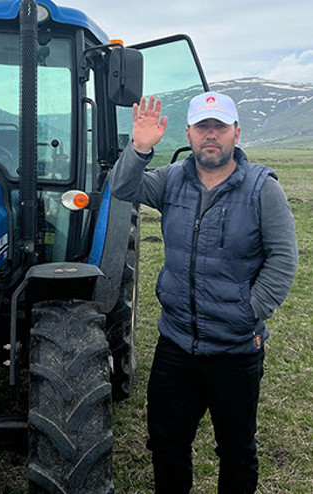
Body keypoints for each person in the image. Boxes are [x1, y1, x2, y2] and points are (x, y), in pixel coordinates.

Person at [110, 92, 298, 493]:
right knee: (166, 444)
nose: (211, 135)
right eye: (203, 127)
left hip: (235, 350)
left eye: (220, 127)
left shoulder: (262, 189)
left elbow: (284, 258)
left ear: (236, 133)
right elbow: (123, 188)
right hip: (176, 343)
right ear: (189, 134)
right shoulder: (171, 178)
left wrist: (250, 310)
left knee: (236, 450)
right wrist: (140, 147)